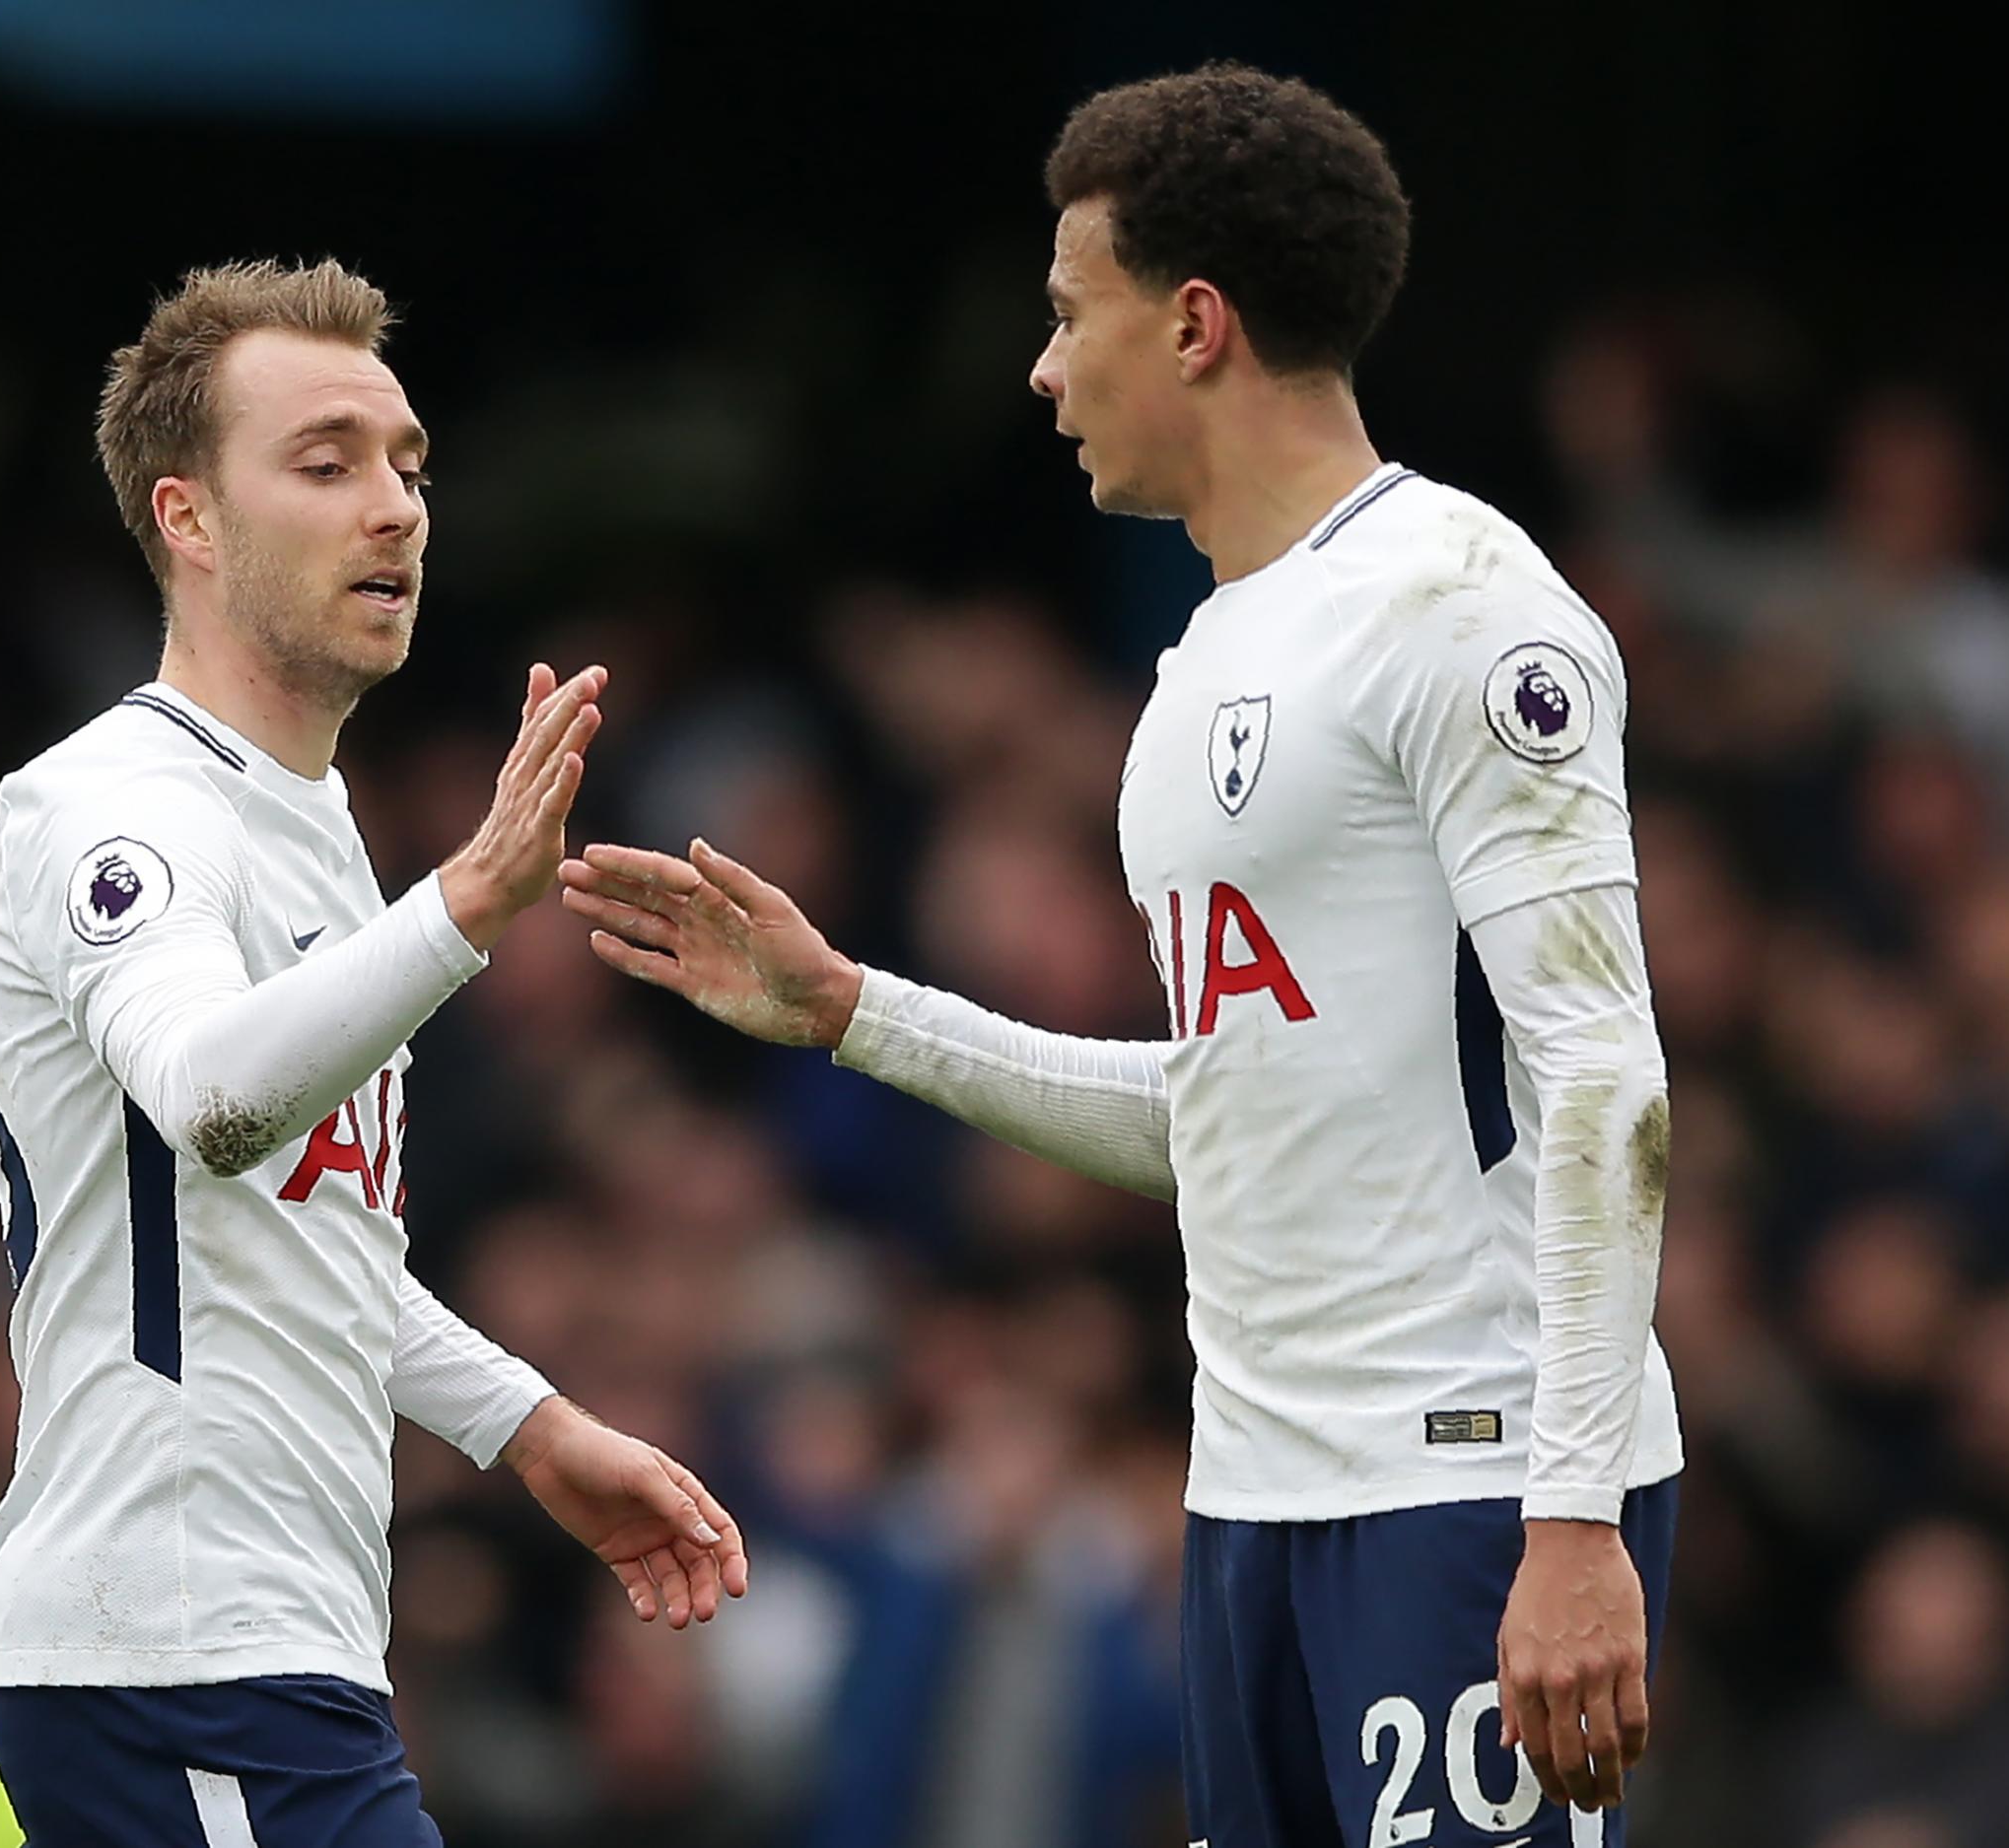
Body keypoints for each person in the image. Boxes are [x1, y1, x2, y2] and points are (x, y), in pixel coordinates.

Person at [561, 64, 1678, 1848]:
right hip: (1250, 1496)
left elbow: (1606, 1072)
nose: (1043, 365)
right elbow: (1223, 1115)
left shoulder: (1464, 609)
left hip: (1468, 1479)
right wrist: (855, 1013)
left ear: (1198, 325)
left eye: (1070, 313)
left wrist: (1571, 1517)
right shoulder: (1197, 679)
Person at [0, 257, 746, 1847]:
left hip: (259, 1652)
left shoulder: (310, 823)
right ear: (188, 518)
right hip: (173, 1648)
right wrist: (467, 902)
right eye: (325, 465)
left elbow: (302, 1249)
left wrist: (531, 1428)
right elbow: (216, 1099)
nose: (393, 506)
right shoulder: (120, 809)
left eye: (408, 466)